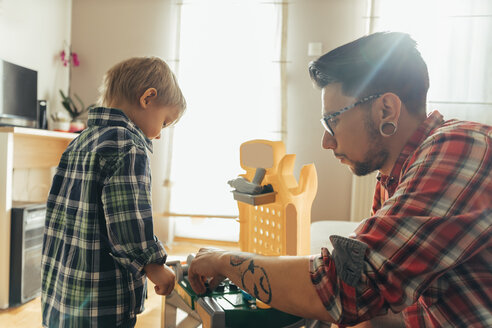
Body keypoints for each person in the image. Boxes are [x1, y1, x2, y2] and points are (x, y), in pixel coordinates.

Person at [188, 32, 492, 327]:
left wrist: (225, 261)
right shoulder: (392, 178)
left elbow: (347, 287)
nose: (326, 142)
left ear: (386, 109)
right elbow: (374, 296)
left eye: (333, 120)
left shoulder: (461, 147)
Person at [41, 57, 186, 327]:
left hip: (63, 292)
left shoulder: (80, 141)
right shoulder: (129, 146)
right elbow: (128, 220)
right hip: (101, 301)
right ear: (148, 98)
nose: (159, 135)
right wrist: (154, 266)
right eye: (164, 123)